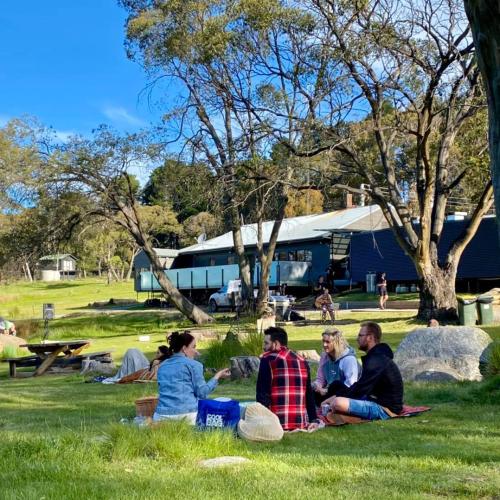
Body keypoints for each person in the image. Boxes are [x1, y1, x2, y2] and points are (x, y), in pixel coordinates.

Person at [323, 321, 403, 421]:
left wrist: (335, 398)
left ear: (370, 338)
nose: (357, 339)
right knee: (337, 386)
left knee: (337, 403)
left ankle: (346, 416)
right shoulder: (375, 357)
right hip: (374, 400)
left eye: (360, 336)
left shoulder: (376, 360)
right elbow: (360, 387)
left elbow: (361, 389)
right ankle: (342, 414)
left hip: (385, 409)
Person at [153, 331, 231, 424]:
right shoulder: (194, 365)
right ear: (184, 348)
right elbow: (202, 393)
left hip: (160, 417)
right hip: (187, 416)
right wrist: (217, 376)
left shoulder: (162, 365)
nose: (196, 351)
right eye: (193, 347)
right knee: (223, 400)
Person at [256, 326, 320, 431]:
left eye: (266, 343)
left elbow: (262, 393)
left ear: (276, 344)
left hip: (275, 424)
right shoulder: (303, 361)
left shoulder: (267, 360)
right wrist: (313, 419)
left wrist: (261, 419)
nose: (264, 346)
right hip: (299, 423)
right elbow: (308, 393)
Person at [312, 327, 360, 405]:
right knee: (310, 387)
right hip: (329, 391)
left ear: (336, 342)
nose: (324, 345)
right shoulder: (324, 357)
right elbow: (320, 379)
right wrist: (318, 387)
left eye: (328, 342)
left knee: (336, 384)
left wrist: (327, 391)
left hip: (346, 394)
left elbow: (351, 385)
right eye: (323, 341)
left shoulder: (349, 359)